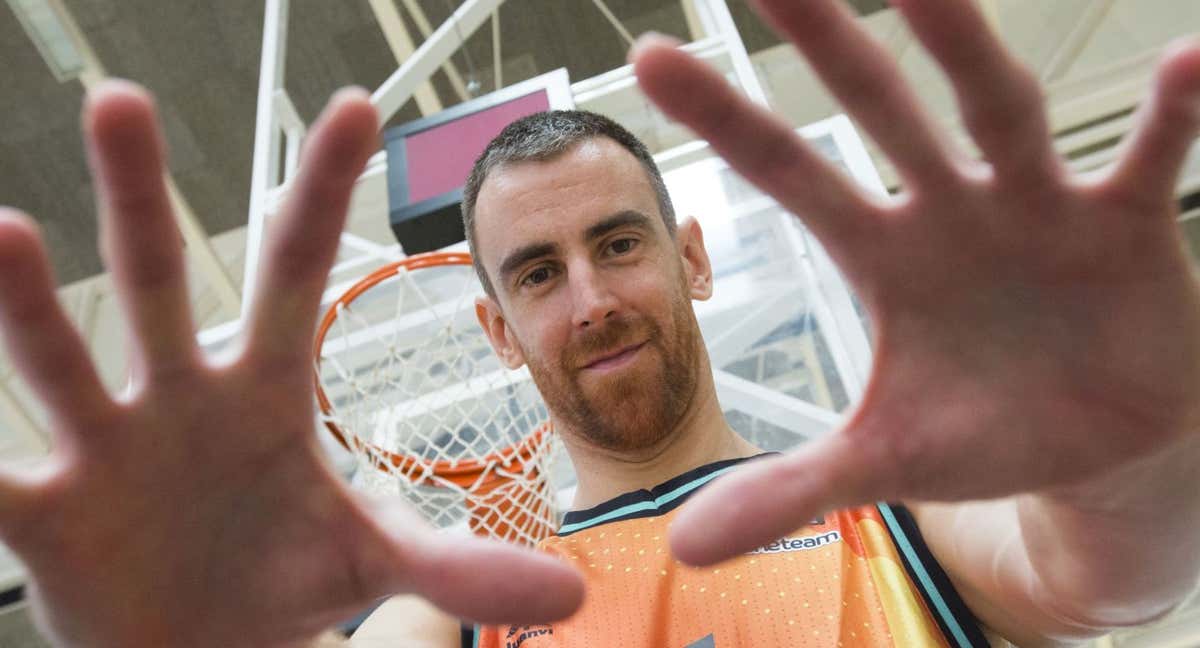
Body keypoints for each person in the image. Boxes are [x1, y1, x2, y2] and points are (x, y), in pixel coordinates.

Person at [0, 0, 1196, 646]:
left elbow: (1103, 573)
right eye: (536, 273)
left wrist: (1138, 451)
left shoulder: (902, 518)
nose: (592, 298)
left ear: (691, 258)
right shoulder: (458, 617)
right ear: (495, 330)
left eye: (619, 244)